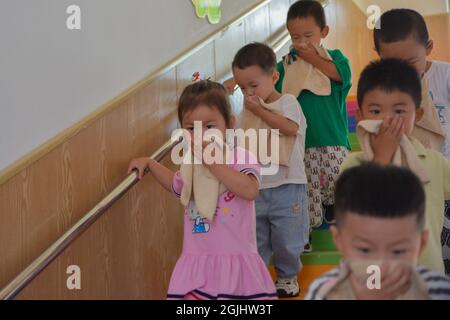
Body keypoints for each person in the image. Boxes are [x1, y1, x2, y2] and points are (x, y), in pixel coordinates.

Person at [128, 80, 277, 300]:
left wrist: (214, 163)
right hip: (197, 264)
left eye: (210, 126)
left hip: (235, 261)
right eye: (191, 128)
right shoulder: (191, 166)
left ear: (230, 124)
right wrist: (151, 164)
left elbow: (249, 189)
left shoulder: (239, 157)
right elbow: (176, 184)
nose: (200, 135)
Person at [340, 59, 450, 273]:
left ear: (417, 115)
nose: (387, 119)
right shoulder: (353, 165)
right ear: (360, 115)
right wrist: (382, 156)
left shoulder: (433, 162)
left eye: (399, 111)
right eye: (375, 111)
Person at [373, 8, 450, 276]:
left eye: (410, 61)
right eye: (392, 63)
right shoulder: (382, 89)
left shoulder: (444, 76)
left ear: (428, 48)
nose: (402, 71)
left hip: (444, 176)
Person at [232, 42, 309, 297]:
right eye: (242, 87)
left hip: (287, 185)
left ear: (274, 77)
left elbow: (289, 128)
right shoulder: (246, 113)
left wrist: (260, 111)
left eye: (253, 85)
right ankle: (259, 278)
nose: (248, 92)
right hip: (256, 189)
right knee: (257, 239)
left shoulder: (287, 102)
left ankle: (287, 277)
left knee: (288, 238)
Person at [306, 163, 450, 300]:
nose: (382, 266)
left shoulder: (439, 290)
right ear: (339, 240)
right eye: (365, 250)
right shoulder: (325, 292)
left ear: (422, 243)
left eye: (398, 251)